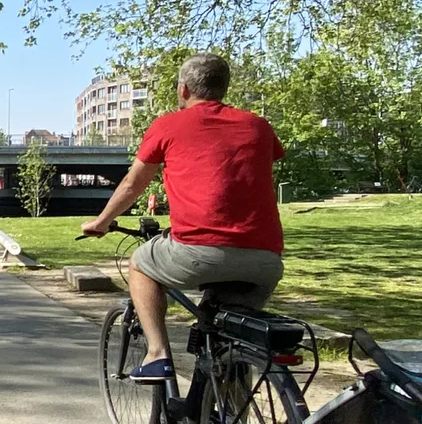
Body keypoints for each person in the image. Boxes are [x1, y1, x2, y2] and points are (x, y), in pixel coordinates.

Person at [81, 53, 285, 385]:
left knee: (140, 263)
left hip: (198, 251)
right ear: (224, 87)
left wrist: (101, 221)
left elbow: (134, 183)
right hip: (264, 259)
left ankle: (157, 354)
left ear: (184, 89)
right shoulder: (257, 125)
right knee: (231, 334)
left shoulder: (168, 125)